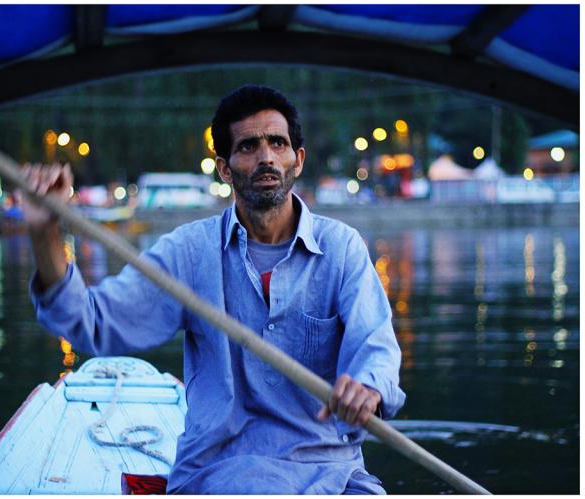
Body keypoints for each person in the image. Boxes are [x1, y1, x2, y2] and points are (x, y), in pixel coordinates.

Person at [23, 84, 406, 494]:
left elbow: (376, 349)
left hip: (329, 468)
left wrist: (367, 388)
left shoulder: (342, 248)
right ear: (224, 168)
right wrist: (45, 231)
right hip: (221, 469)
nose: (265, 157)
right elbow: (91, 322)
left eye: (277, 143)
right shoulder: (190, 253)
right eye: (248, 146)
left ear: (298, 159)